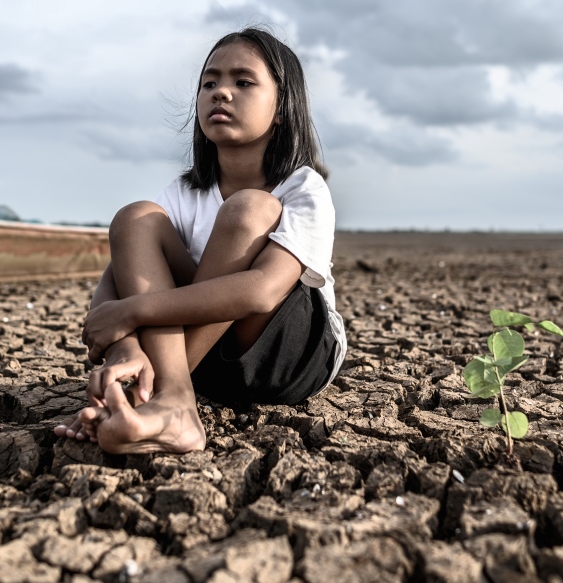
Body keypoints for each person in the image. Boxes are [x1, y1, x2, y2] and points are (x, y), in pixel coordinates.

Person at [54, 28, 346, 455]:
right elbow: (121, 274)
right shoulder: (182, 192)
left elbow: (263, 291)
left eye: (242, 82)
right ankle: (165, 403)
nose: (221, 93)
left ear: (282, 107)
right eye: (209, 83)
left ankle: (161, 399)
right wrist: (124, 350)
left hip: (287, 356)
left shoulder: (302, 187)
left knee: (250, 211)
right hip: (201, 363)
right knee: (136, 219)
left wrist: (133, 313)